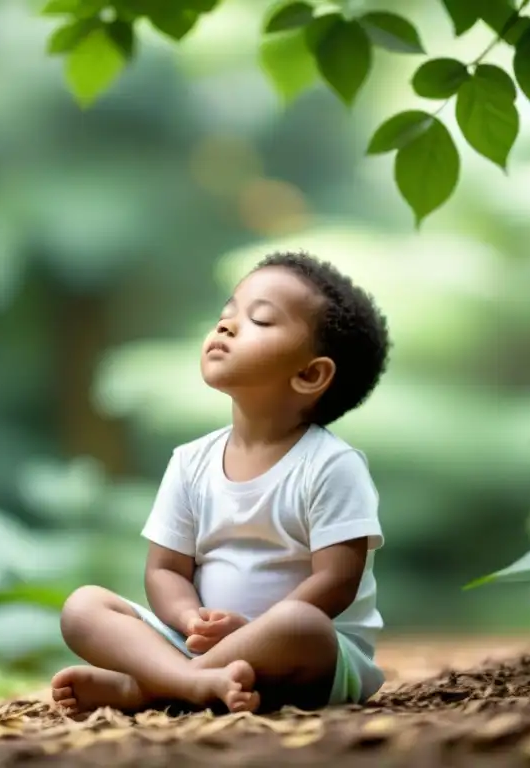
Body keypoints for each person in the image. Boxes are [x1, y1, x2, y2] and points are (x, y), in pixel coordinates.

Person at [50, 250, 391, 715]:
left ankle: (151, 688)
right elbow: (166, 569)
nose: (227, 326)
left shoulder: (331, 464)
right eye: (226, 314)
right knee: (83, 606)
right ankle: (194, 681)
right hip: (200, 645)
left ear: (310, 374)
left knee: (300, 624)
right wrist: (190, 618)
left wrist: (252, 630)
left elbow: (336, 581)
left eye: (260, 320)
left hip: (306, 652)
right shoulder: (191, 462)